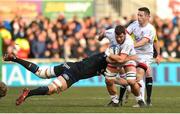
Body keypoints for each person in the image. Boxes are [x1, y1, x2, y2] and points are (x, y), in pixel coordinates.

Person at [3, 52, 108, 105]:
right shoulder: (106, 64)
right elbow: (112, 79)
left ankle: (15, 59)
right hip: (73, 74)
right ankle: (28, 93)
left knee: (41, 73)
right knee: (51, 89)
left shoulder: (100, 58)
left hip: (69, 65)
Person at [118, 7, 161, 107]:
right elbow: (125, 33)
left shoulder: (150, 29)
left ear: (147, 17)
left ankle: (142, 101)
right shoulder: (134, 25)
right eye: (138, 15)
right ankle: (123, 97)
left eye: (141, 15)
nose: (138, 17)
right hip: (134, 53)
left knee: (139, 75)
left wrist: (158, 55)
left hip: (146, 56)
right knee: (125, 74)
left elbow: (145, 42)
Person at [98, 25, 145, 107]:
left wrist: (108, 53)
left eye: (121, 37)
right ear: (114, 34)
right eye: (117, 37)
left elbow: (121, 60)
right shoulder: (111, 32)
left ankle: (140, 100)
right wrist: (100, 38)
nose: (119, 39)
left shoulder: (128, 41)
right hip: (115, 59)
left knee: (131, 81)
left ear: (125, 34)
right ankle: (115, 101)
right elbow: (103, 33)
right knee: (108, 80)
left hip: (128, 59)